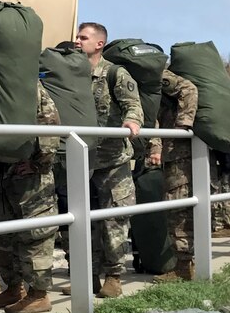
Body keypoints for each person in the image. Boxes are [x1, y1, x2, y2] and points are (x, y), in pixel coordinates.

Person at [74, 22, 142, 298]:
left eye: (83, 37)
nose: (77, 41)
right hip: (81, 161)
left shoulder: (115, 73)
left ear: (99, 43)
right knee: (81, 222)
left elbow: (133, 103)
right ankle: (86, 276)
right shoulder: (72, 72)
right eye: (77, 37)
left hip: (113, 160)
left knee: (115, 218)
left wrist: (132, 119)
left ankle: (114, 276)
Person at [0, 82, 61, 312]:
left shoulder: (26, 82)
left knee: (36, 232)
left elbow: (50, 118)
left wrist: (40, 161)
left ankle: (39, 293)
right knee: (3, 233)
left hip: (30, 172)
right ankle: (14, 288)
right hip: (0, 171)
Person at [147, 69, 198, 281]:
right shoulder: (148, 83)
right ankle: (184, 263)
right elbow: (155, 119)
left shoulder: (158, 75)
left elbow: (189, 89)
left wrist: (182, 125)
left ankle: (184, 266)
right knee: (177, 208)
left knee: (178, 208)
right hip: (172, 153)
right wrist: (156, 147)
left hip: (180, 154)